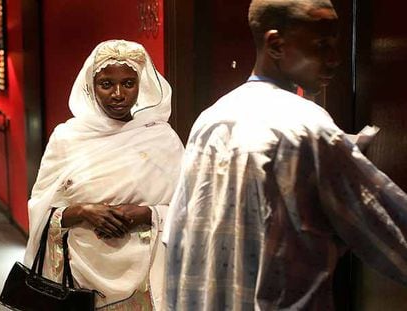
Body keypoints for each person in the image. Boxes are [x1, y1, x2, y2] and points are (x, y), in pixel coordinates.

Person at [163, 0, 407, 310]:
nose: (334, 60)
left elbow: (177, 237)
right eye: (322, 45)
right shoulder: (307, 128)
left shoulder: (210, 120)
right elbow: (390, 228)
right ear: (275, 44)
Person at [23, 40, 184, 310]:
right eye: (107, 84)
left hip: (145, 280)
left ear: (141, 85)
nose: (118, 94)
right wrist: (84, 211)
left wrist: (146, 214)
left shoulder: (161, 138)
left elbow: (188, 209)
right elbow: (41, 208)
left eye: (128, 83)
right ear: (91, 86)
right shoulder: (68, 137)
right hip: (77, 277)